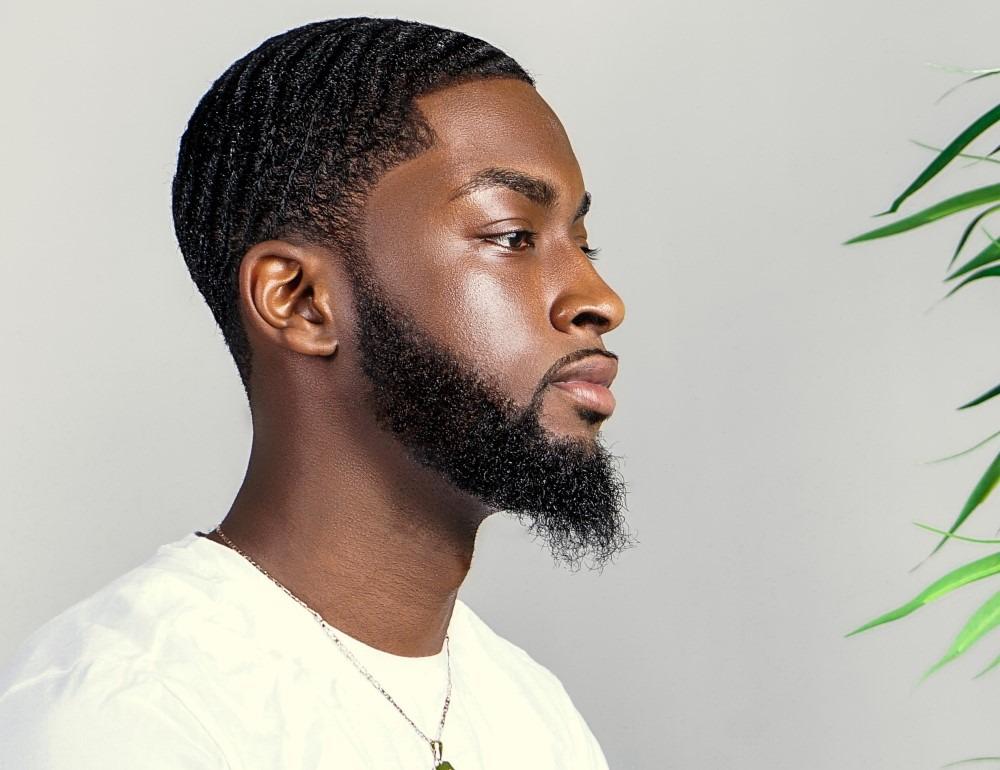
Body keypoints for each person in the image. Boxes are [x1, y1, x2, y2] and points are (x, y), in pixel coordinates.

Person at [0, 16, 630, 770]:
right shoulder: (126, 715)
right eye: (511, 235)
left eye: (583, 243)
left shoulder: (534, 715)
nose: (600, 300)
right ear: (299, 301)